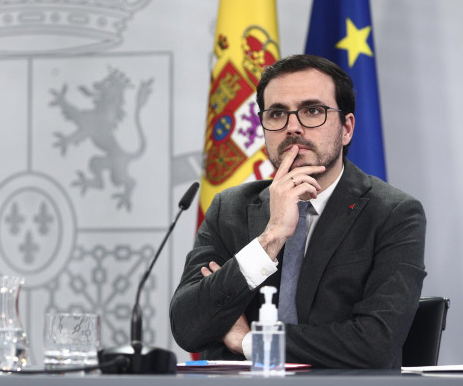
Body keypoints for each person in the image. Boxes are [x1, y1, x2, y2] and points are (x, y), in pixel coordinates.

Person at [170, 54, 426, 368]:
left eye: (312, 110)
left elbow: (374, 343)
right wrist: (271, 237)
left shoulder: (394, 213)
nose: (293, 127)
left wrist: (249, 342)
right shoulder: (230, 208)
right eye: (277, 113)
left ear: (346, 128)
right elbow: (188, 328)